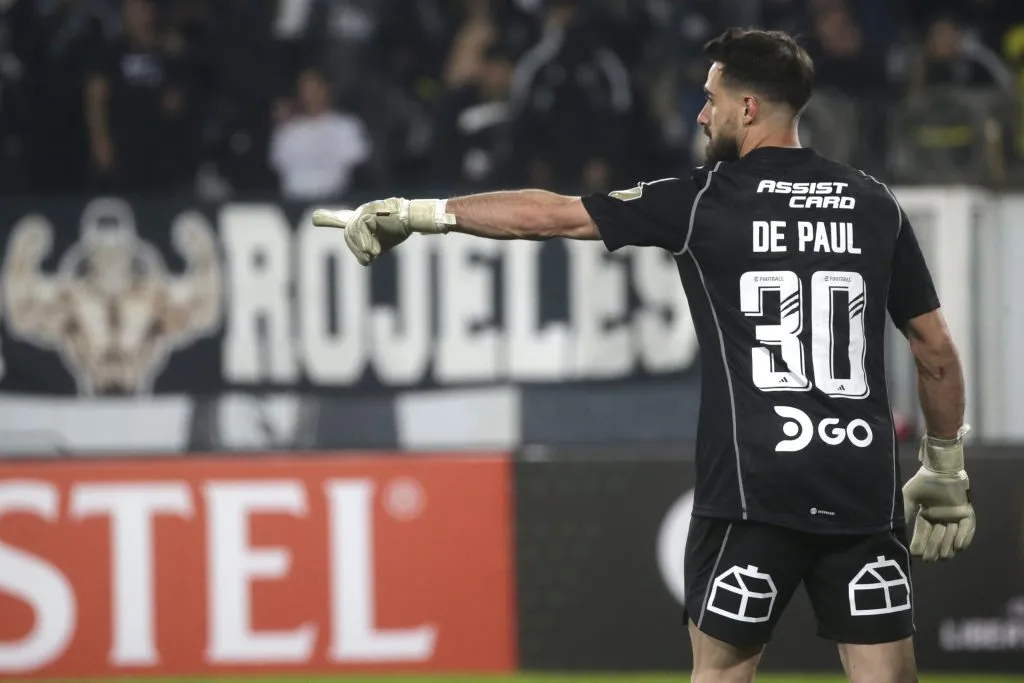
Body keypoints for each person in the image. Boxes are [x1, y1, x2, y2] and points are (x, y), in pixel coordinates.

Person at [311, 28, 975, 683]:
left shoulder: (703, 199)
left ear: (747, 109)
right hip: (858, 482)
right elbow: (935, 349)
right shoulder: (874, 203)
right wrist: (945, 464)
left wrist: (419, 213)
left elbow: (550, 216)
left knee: (721, 673)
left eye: (712, 99)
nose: (702, 114)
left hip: (753, 488)